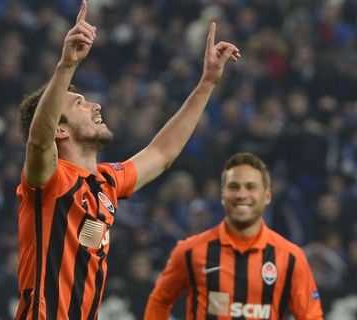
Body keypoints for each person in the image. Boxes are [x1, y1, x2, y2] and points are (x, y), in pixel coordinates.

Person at [14, 0, 240, 319]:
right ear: (60, 129)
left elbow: (161, 154)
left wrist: (207, 84)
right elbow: (39, 141)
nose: (95, 106)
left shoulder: (107, 181)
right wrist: (66, 65)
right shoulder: (51, 181)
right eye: (79, 103)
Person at [144, 152, 324, 320]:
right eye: (234, 187)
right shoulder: (190, 251)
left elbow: (311, 315)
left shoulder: (291, 257)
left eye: (251, 187)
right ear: (223, 195)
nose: (242, 194)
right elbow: (160, 301)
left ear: (267, 196)